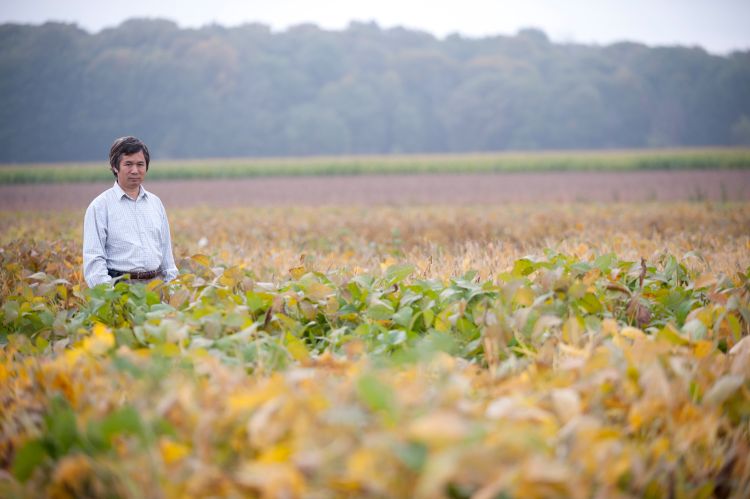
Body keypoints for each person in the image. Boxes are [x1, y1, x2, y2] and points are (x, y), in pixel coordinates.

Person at [83, 136, 178, 287]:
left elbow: (167, 256)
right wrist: (110, 296)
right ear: (115, 166)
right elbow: (94, 262)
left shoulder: (156, 203)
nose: (135, 170)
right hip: (120, 287)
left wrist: (172, 288)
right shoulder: (100, 207)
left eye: (140, 164)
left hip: (156, 286)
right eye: (128, 164)